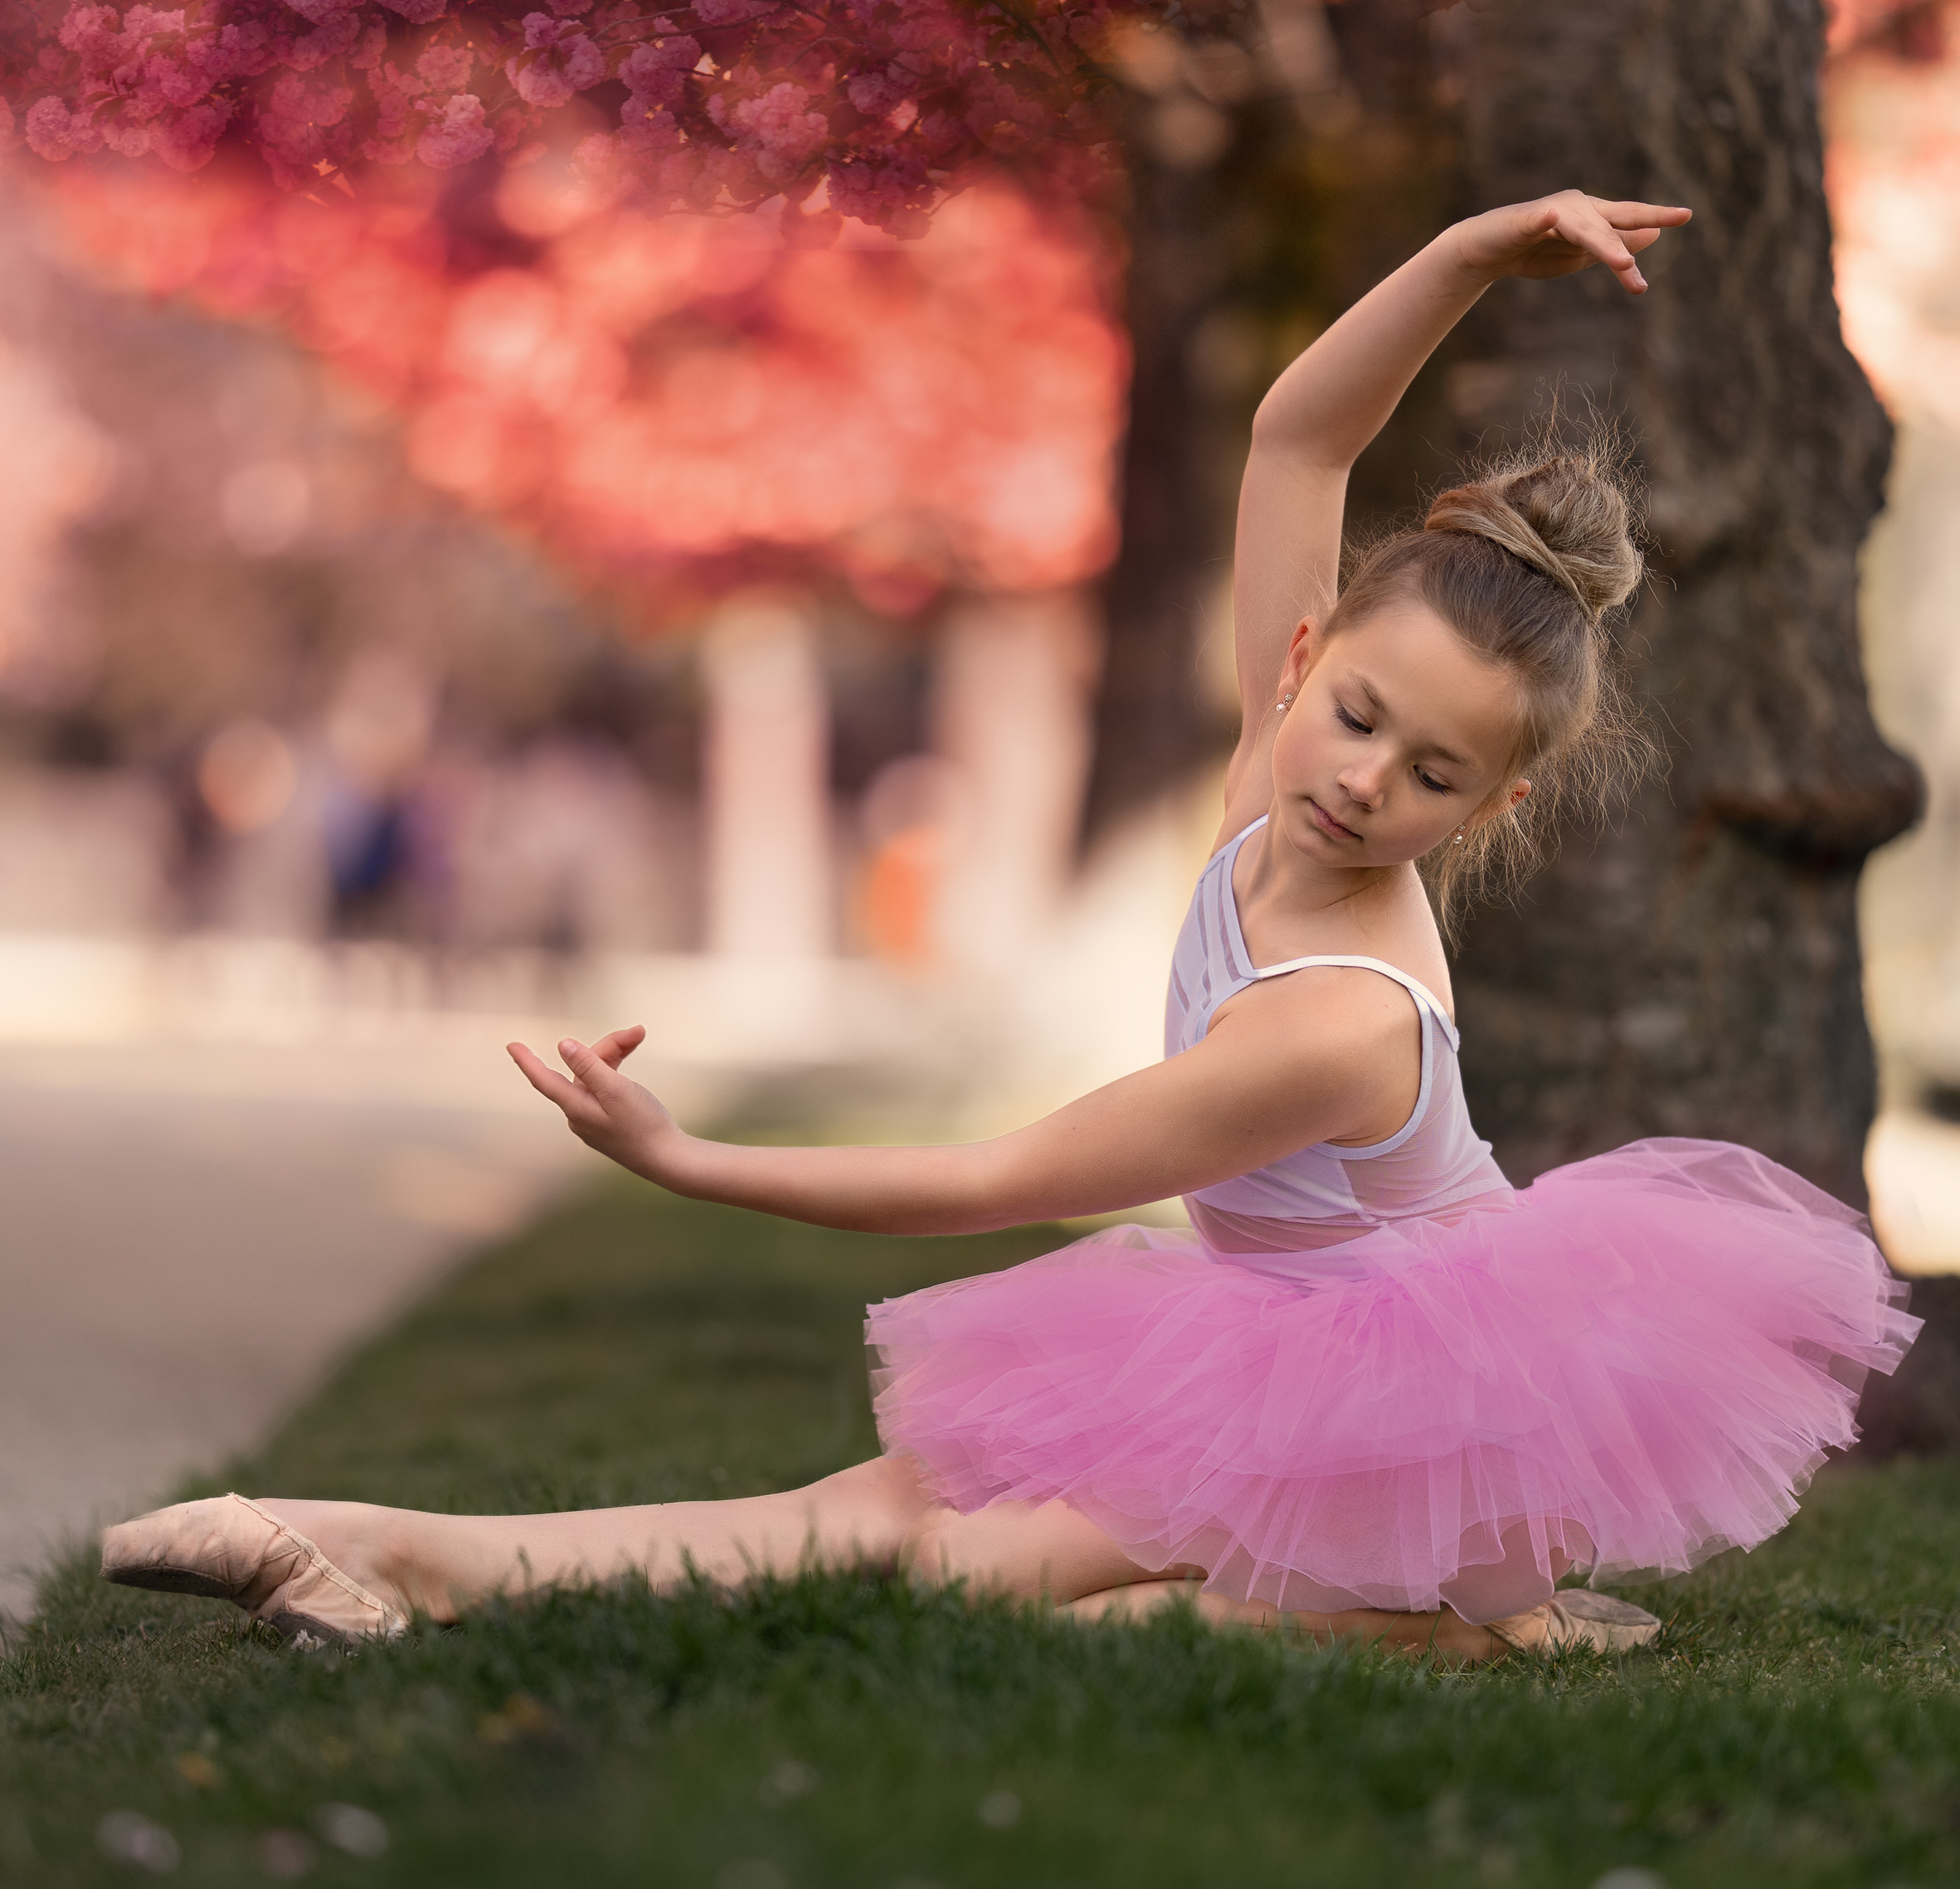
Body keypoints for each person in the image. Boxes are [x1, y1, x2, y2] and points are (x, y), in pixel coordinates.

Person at [103, 192, 1918, 1663]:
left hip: (1412, 1404)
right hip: (1297, 1328)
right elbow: (1298, 435)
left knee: (958, 1573)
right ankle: (361, 1549)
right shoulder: (1254, 792)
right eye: (1357, 717)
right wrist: (1456, 255)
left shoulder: (1338, 1017)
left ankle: (1458, 1615)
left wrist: (689, 1158)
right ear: (1300, 668)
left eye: (1434, 772)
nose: (1367, 782)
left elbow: (999, 1175)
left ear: (1486, 810)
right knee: (888, 1498)